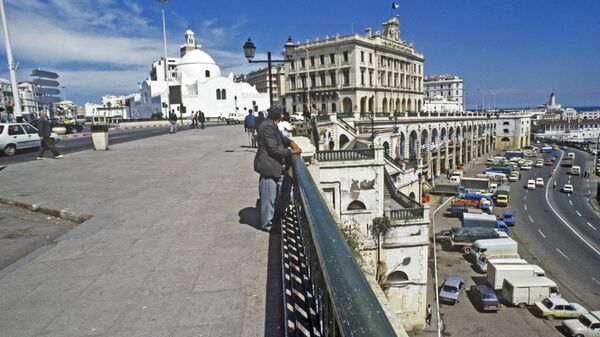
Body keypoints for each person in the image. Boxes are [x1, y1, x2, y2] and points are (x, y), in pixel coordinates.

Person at [254, 109, 301, 232]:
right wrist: (292, 151)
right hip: (268, 167)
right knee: (268, 198)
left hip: (272, 166)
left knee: (273, 196)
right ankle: (267, 225)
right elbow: (274, 149)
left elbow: (281, 138)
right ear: (279, 116)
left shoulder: (271, 124)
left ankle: (273, 219)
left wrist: (290, 142)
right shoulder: (267, 127)